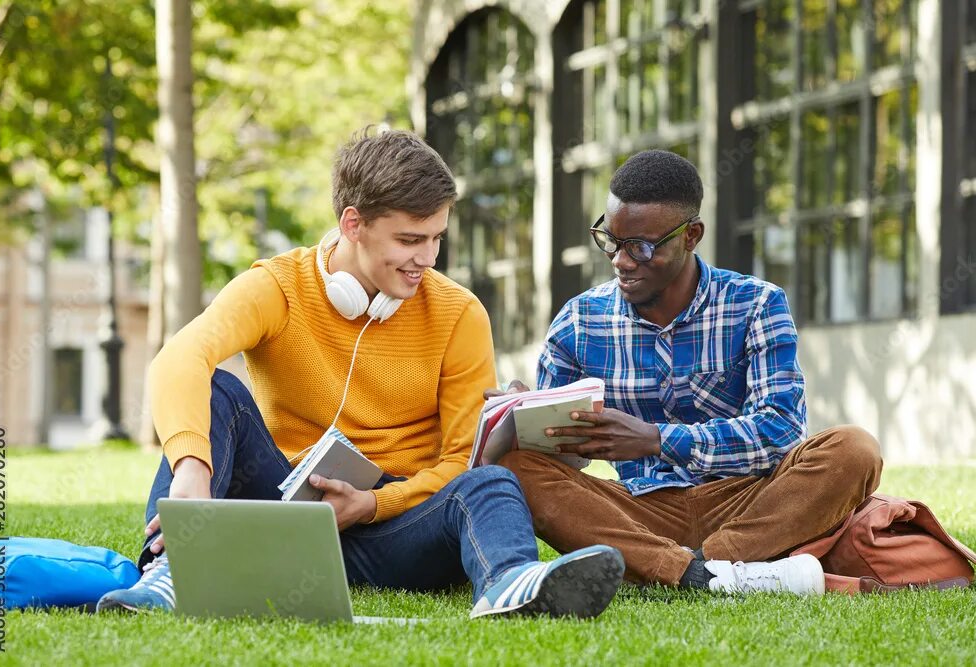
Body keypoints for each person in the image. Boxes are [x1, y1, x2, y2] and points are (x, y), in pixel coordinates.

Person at [98, 129, 624, 618]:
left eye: (436, 238)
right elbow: (180, 356)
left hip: (399, 527)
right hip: (288, 507)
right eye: (409, 240)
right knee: (218, 391)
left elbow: (457, 462)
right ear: (353, 224)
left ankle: (511, 584)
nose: (427, 258)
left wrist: (373, 503)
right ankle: (173, 571)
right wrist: (193, 467)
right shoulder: (278, 286)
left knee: (489, 481)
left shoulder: (460, 314)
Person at [496, 150, 883, 594]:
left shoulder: (756, 303)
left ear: (691, 235)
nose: (622, 261)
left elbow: (780, 431)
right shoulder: (579, 320)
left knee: (854, 449)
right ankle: (709, 575)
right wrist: (528, 414)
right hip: (638, 511)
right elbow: (563, 461)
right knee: (516, 468)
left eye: (641, 246)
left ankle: (690, 567)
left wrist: (655, 438)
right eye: (612, 241)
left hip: (748, 502)